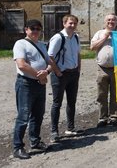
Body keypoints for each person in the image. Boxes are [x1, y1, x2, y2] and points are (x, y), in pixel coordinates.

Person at [12, 19, 54, 159]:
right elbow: (22, 65)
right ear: (26, 30)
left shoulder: (42, 45)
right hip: (26, 84)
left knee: (38, 114)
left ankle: (35, 142)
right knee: (23, 117)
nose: (35, 31)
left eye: (38, 29)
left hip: (39, 84)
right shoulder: (20, 44)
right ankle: (17, 147)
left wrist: (46, 72)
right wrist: (39, 76)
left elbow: (50, 63)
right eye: (32, 28)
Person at [47, 15, 82, 143]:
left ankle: (71, 128)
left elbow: (78, 54)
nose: (72, 25)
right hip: (61, 75)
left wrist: (78, 69)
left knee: (72, 101)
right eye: (70, 23)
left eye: (74, 23)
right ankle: (54, 131)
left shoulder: (76, 37)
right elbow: (49, 56)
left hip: (73, 73)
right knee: (57, 103)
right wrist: (57, 71)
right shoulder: (58, 38)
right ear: (64, 23)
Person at [90, 13, 117, 127]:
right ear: (105, 22)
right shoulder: (99, 33)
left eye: (113, 20)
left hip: (116, 68)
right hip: (102, 68)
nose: (111, 22)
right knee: (102, 94)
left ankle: (114, 117)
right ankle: (102, 118)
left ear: (116, 22)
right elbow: (92, 47)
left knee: (115, 94)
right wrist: (105, 37)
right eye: (109, 20)